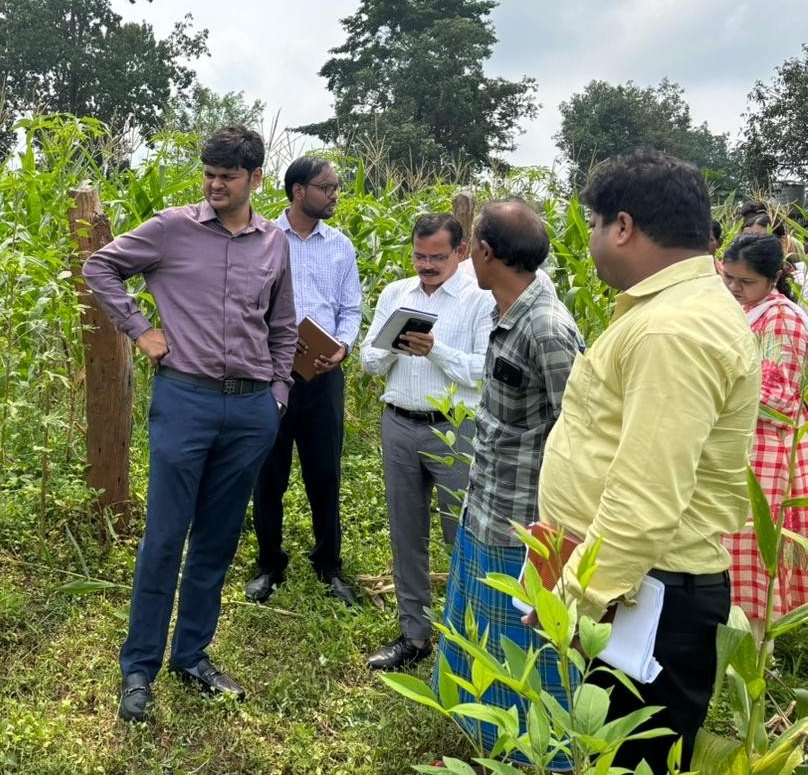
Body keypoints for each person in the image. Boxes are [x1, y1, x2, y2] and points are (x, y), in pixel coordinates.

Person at [536, 150, 760, 771]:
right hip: (635, 589)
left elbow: (644, 497)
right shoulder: (671, 314)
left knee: (632, 758)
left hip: (644, 600)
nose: (591, 240)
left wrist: (572, 601)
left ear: (625, 226)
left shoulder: (672, 331)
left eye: (594, 223)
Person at [82, 125, 297, 723]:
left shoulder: (273, 242)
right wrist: (140, 329)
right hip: (186, 401)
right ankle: (139, 669)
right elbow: (100, 267)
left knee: (217, 540)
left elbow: (283, 323)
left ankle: (193, 655)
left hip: (251, 407)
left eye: (228, 176)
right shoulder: (173, 227)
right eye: (209, 174)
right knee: (165, 537)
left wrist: (278, 393)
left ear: (255, 179)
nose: (215, 184)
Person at [433, 200, 582, 765]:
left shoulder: (546, 327)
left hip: (521, 526)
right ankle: (484, 739)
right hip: (485, 505)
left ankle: (529, 755)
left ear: (485, 253)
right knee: (481, 637)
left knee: (520, 652)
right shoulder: (506, 309)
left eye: (470, 242)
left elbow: (578, 433)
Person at [361, 213, 494, 671]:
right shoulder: (397, 293)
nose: (427, 265)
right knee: (406, 533)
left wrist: (434, 348)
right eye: (419, 255)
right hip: (399, 423)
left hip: (456, 429)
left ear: (461, 251)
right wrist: (394, 345)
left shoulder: (481, 300)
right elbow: (368, 361)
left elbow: (482, 371)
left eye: (437, 256)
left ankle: (465, 638)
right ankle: (414, 635)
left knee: (462, 535)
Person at [246, 156, 362, 606]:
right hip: (271, 376)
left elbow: (350, 308)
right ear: (299, 191)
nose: (334, 194)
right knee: (268, 474)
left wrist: (344, 346)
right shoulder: (264, 239)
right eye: (327, 187)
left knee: (324, 473)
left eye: (335, 187)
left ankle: (328, 565)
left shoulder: (341, 246)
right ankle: (269, 564)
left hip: (323, 379)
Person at [720, 232, 808, 645]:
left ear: (773, 278)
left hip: (767, 451)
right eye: (729, 277)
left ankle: (756, 650)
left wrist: (720, 386)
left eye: (745, 281)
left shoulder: (782, 318)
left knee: (754, 551)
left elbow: (781, 396)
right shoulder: (744, 309)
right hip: (740, 440)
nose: (735, 288)